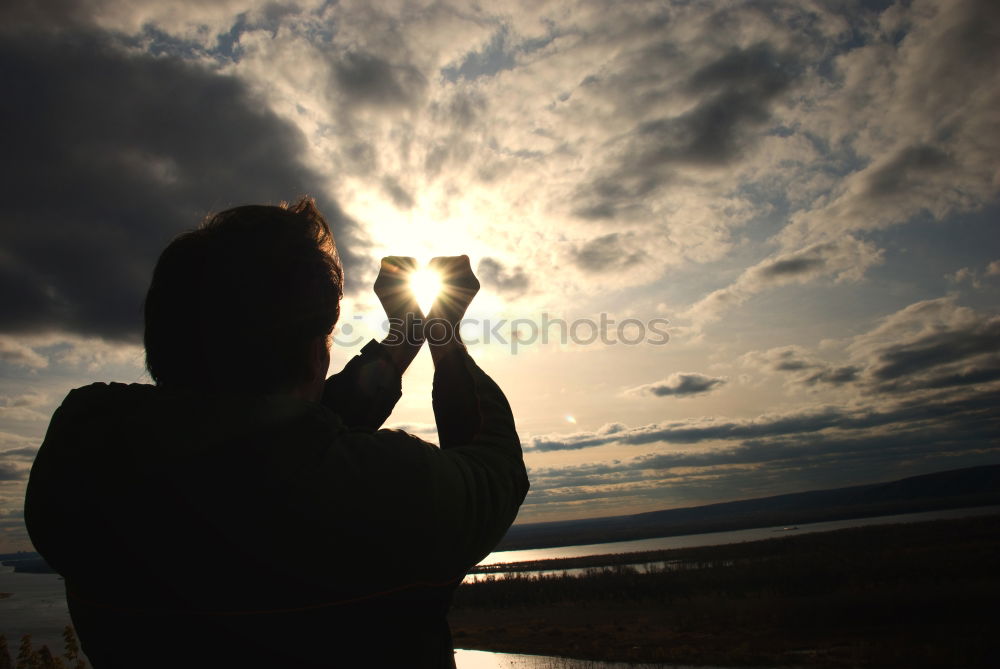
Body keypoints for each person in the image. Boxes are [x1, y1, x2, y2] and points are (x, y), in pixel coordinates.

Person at [24, 198, 529, 668]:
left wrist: (402, 339)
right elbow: (493, 466)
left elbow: (262, 435)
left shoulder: (88, 457)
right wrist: (442, 333)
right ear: (316, 354)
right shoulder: (380, 496)